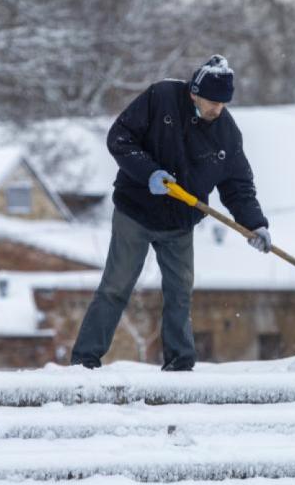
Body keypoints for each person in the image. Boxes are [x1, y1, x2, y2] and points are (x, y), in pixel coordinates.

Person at [70, 54, 271, 371]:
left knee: (179, 293)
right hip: (135, 212)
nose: (216, 109)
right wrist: (148, 172)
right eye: (211, 101)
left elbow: (238, 186)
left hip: (179, 222)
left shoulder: (226, 135)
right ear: (194, 92)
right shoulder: (161, 97)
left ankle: (180, 362)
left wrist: (255, 225)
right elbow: (120, 138)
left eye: (222, 104)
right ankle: (85, 359)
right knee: (116, 287)